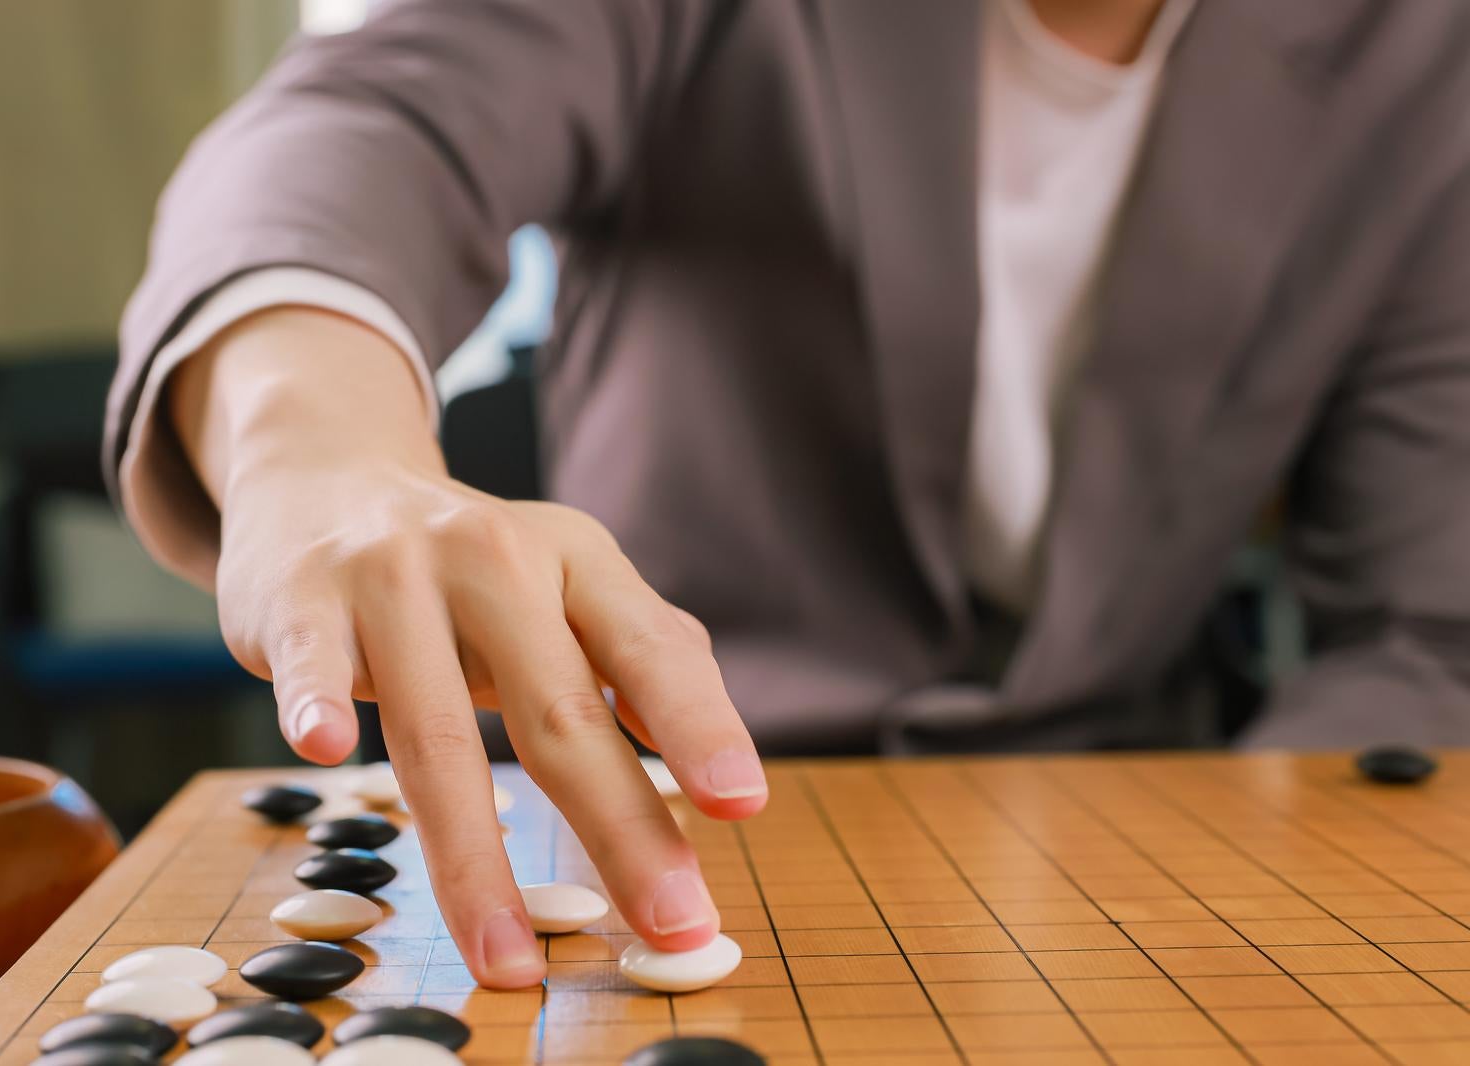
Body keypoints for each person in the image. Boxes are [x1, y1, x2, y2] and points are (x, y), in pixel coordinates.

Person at [107, 0, 1470, 987]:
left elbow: (1423, 632)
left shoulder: (1424, 53)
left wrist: (1260, 920)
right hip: (680, 802)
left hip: (1136, 824)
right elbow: (369, 120)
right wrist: (314, 441)